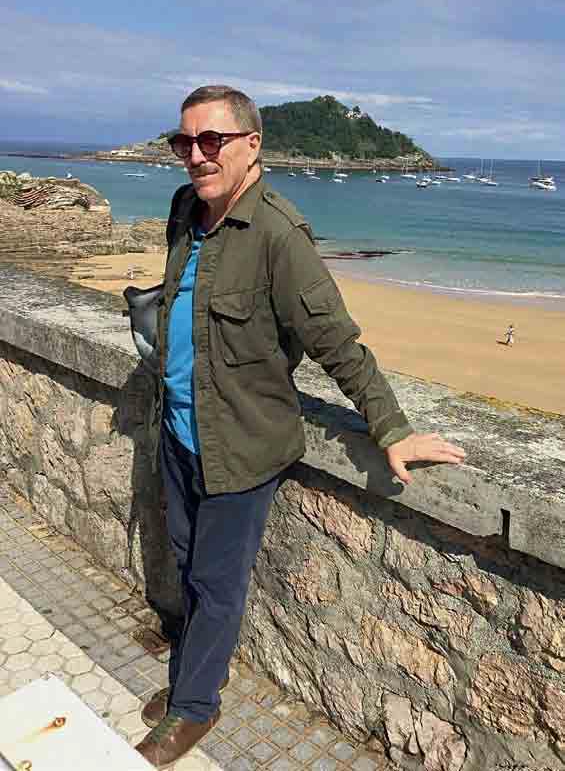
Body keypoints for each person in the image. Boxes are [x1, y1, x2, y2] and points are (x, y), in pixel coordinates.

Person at [134, 86, 466, 768]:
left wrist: (390, 428)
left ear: (251, 145)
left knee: (216, 582)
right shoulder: (184, 210)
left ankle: (195, 704)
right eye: (183, 142)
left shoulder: (279, 236)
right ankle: (195, 663)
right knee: (186, 559)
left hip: (241, 443)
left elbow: (335, 340)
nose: (195, 155)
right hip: (178, 430)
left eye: (211, 141)